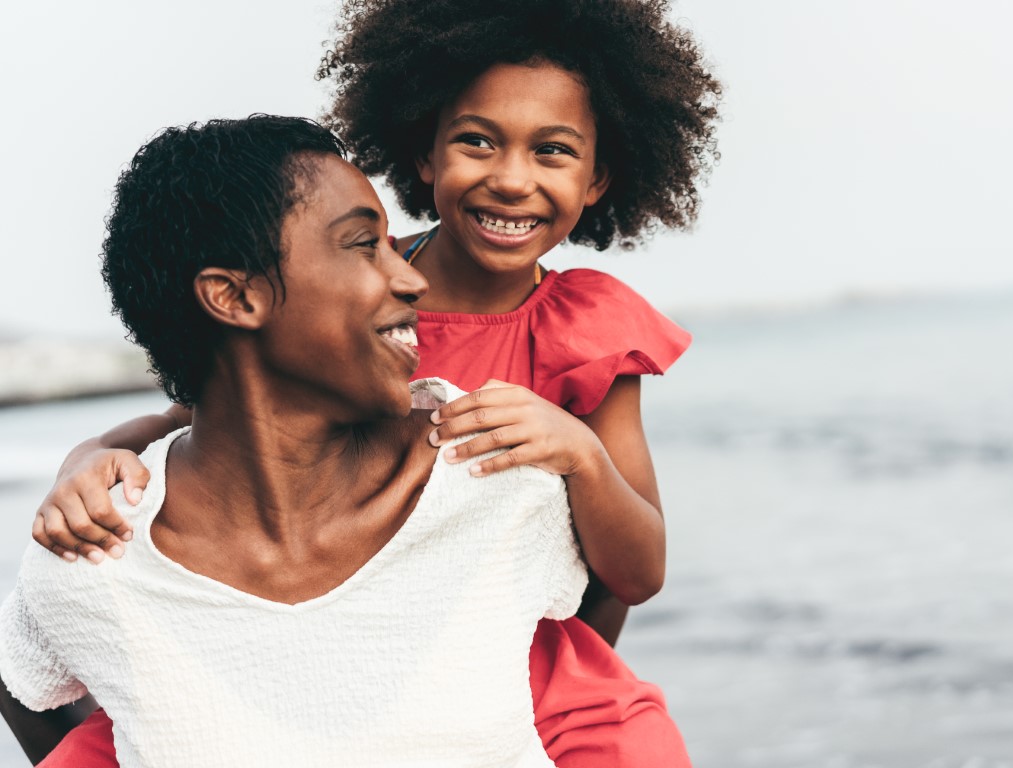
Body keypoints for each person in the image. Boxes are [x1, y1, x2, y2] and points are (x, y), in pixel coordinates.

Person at [32, 0, 721, 764]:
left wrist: (579, 455)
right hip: (338, 643)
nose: (511, 179)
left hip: (526, 669)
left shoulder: (588, 330)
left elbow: (637, 571)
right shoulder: (348, 298)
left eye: (553, 152)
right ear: (423, 156)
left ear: (598, 181)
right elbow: (203, 417)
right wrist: (85, 463)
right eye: (476, 142)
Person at [0, 115, 591, 767]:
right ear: (234, 296)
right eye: (365, 245)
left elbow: (604, 620)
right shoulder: (95, 554)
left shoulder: (496, 475)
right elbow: (21, 678)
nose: (412, 280)